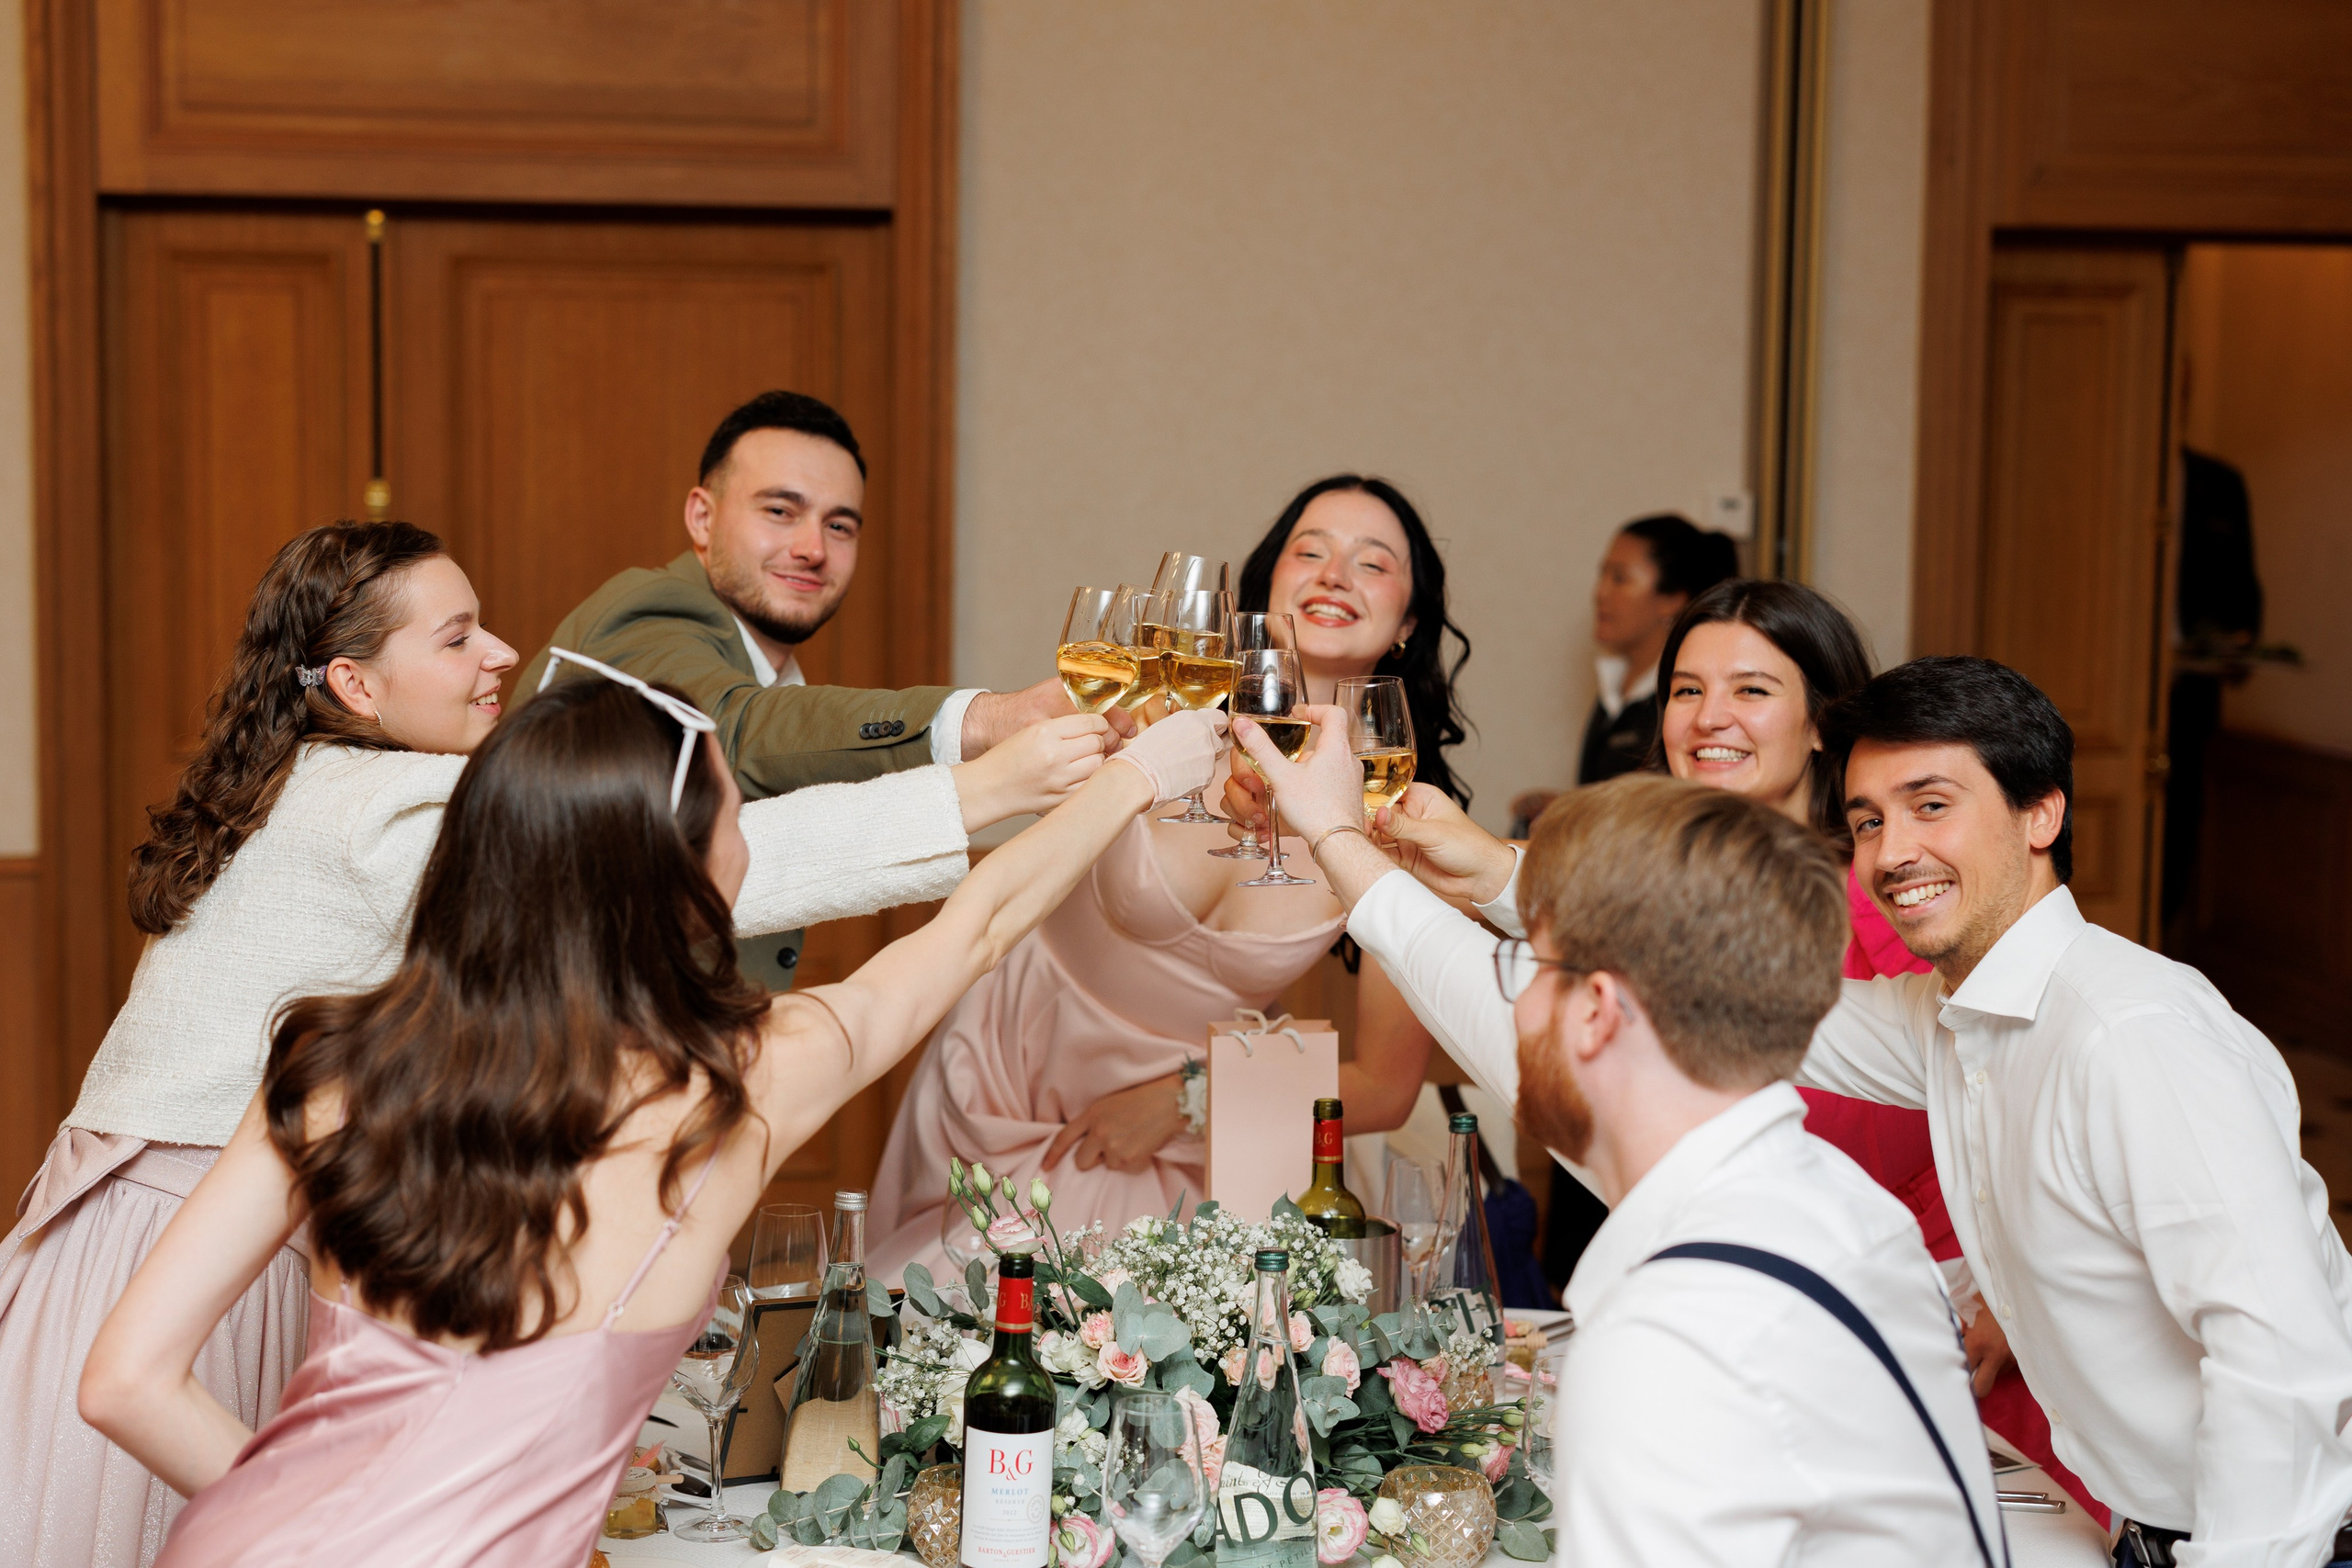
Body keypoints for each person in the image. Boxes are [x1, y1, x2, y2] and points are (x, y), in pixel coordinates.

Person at [0, 522, 1105, 1568]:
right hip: (199, 1240)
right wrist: (989, 785)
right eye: (456, 636)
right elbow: (723, 852)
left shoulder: (316, 796)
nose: (502, 651)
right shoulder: (398, 812)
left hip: (172, 1224)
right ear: (353, 683)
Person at [1237, 732, 2003, 1562]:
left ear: (1598, 1009)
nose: (1514, 1011)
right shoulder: (1848, 1212)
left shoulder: (1669, 1334)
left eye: (1523, 970)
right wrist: (1336, 834)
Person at [1800, 658, 2352, 1567]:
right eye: (1868, 820)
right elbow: (1747, 1013)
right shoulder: (1954, 1015)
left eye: (1930, 804)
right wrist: (1497, 888)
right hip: (2153, 1532)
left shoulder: (2127, 1032)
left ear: (2039, 814)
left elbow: (2282, 1365)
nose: (1891, 852)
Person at [865, 475, 1469, 1279]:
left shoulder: (1400, 815)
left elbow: (1387, 1088)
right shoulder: (1161, 707)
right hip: (1013, 1078)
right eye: (1311, 550)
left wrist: (1191, 1101)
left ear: (1409, 622)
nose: (1334, 574)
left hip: (1212, 1139)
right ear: (1264, 588)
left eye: (1373, 563)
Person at [515, 389, 1120, 988]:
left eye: (839, 525)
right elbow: (734, 728)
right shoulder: (649, 606)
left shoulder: (769, 670)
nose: (812, 549)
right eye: (780, 511)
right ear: (702, 516)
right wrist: (987, 718)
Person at [1510, 512, 1739, 833]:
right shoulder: (1614, 685)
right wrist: (1569, 805)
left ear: (1672, 599)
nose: (1600, 593)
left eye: (1620, 578)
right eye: (1602, 575)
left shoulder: (1681, 700)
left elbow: (1667, 815)